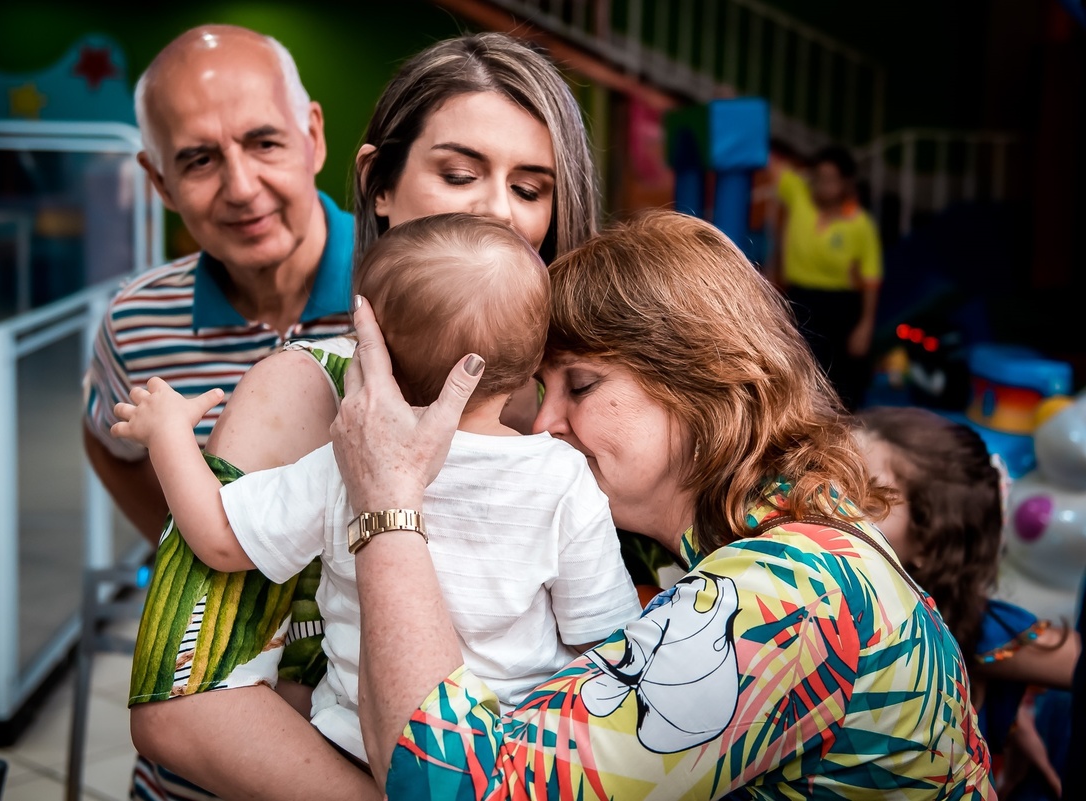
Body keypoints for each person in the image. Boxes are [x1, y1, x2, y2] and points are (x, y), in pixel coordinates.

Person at [324, 209, 993, 797]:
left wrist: (387, 499)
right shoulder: (771, 548)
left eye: (580, 385)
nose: (543, 423)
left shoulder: (790, 591)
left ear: (699, 380)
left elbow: (462, 790)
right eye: (541, 387)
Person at [127, 32, 611, 800]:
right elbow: (178, 702)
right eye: (458, 174)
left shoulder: (591, 395)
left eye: (530, 188)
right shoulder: (306, 388)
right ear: (379, 185)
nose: (495, 211)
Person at [113, 213, 640, 765]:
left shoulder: (349, 464)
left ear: (373, 354)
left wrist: (169, 435)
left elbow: (218, 538)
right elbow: (604, 642)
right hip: (508, 754)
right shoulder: (563, 476)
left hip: (355, 744)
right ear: (536, 360)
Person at [78, 24, 358, 800]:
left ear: (313, 136)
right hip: (196, 772)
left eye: (264, 142)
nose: (240, 187)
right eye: (199, 160)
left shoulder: (412, 287)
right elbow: (105, 438)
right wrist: (195, 536)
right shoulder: (136, 323)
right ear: (159, 182)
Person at [854, 406, 1080, 798]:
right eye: (828, 482)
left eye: (870, 502)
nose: (833, 510)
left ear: (931, 540)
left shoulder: (969, 631)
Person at [771, 145, 882, 411]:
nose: (824, 185)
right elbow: (771, 162)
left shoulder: (860, 224)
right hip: (800, 298)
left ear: (845, 182)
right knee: (801, 373)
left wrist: (865, 326)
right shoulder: (799, 196)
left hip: (842, 307)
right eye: (819, 177)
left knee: (843, 381)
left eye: (831, 179)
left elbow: (871, 279)